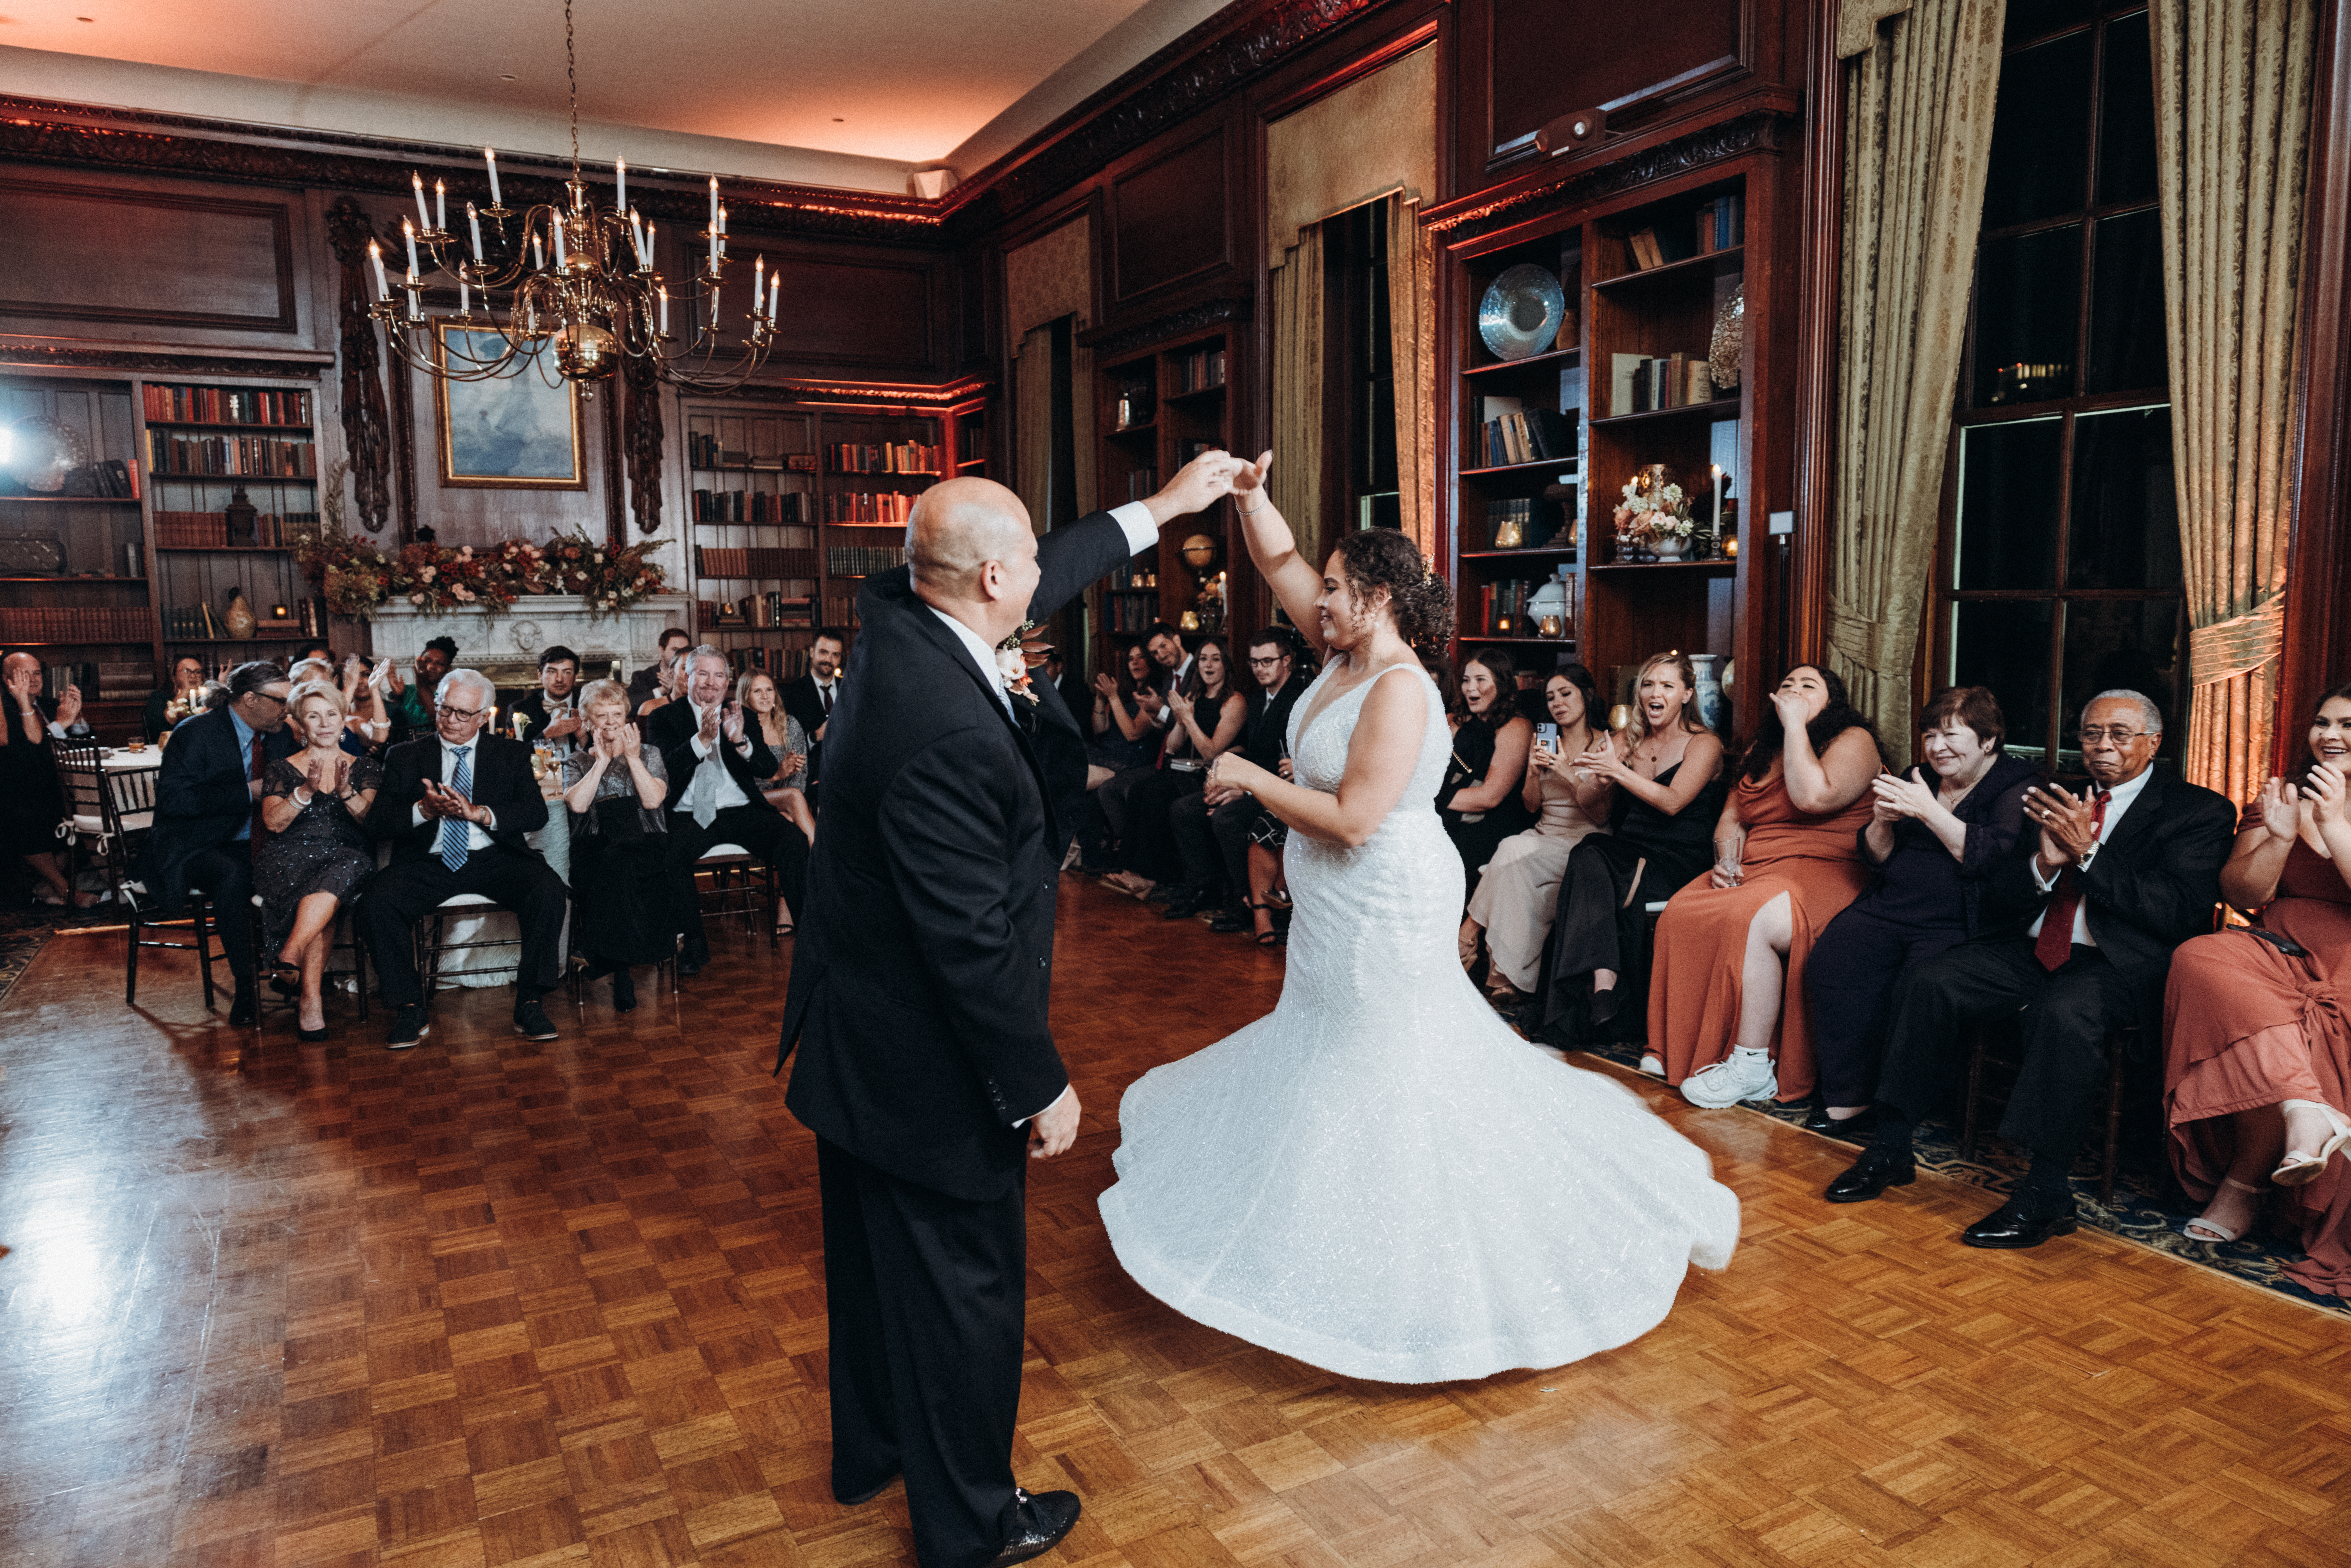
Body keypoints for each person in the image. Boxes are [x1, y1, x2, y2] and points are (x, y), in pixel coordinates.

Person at [1100, 452, 1739, 1384]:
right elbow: (1279, 563)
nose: (1314, 599)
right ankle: (1338, 1217)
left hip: (1384, 902)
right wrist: (1251, 497)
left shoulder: (1399, 688)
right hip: (1334, 905)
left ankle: (1419, 1260)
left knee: (1390, 1063)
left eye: (1334, 590)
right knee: (1333, 1052)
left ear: (1376, 600)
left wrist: (1248, 776)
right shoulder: (1343, 653)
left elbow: (1358, 819)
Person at [775, 452, 1244, 1568]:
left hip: (854, 1039)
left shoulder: (893, 609)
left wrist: (1161, 507)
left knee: (878, 1265)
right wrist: (1038, 1081)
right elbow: (969, 944)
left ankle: (875, 1450)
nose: (1044, 570)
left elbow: (1058, 561)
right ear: (991, 578)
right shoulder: (944, 730)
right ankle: (972, 1523)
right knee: (965, 1291)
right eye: (1028, 558)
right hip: (923, 1060)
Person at [1824, 690, 2237, 1248]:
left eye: (2119, 733)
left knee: (2063, 1011)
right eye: (2092, 733)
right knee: (1932, 980)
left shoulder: (2199, 810)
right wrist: (2043, 863)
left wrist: (2087, 853)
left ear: (2153, 742)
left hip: (2116, 963)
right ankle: (1891, 1147)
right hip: (2033, 944)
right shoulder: (2055, 792)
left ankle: (2046, 1192)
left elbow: (2176, 911)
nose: (2103, 746)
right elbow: (2000, 894)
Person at [2160, 685, 2351, 1278]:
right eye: (2321, 721)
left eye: (2347, 724)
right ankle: (2304, 1106)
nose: (2329, 734)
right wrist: (2280, 834)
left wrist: (2336, 821)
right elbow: (2241, 893)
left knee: (2274, 1031)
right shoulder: (2283, 794)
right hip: (2275, 948)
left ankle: (2241, 1185)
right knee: (2199, 957)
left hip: (2346, 962)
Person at [1802, 687, 2038, 1138]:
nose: (1936, 748)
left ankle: (1900, 1110)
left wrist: (1928, 810)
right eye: (1930, 736)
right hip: (1892, 906)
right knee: (1836, 958)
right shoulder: (1919, 776)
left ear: (1989, 741)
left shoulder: (2018, 785)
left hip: (1963, 922)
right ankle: (1848, 1097)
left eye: (1951, 735)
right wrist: (1881, 821)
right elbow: (1876, 858)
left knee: (1916, 987)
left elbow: (1991, 860)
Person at [1649, 664, 1882, 1107]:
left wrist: (1795, 726)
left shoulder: (1854, 740)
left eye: (1808, 687)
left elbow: (1813, 797)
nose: (1794, 691)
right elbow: (1732, 820)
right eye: (1787, 685)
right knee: (1683, 909)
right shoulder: (1763, 747)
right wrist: (1725, 862)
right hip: (1758, 867)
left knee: (1752, 915)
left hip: (1827, 871)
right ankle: (1680, 1048)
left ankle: (1753, 1066)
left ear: (1833, 701)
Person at [361, 667, 569, 1050]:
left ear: (483, 715)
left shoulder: (510, 753)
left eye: (462, 714)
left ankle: (531, 1001)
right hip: (429, 862)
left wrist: (481, 814)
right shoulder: (406, 756)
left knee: (548, 890)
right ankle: (409, 1006)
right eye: (445, 710)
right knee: (377, 901)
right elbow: (377, 825)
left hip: (494, 857)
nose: (450, 721)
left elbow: (535, 814)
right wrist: (422, 810)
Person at [1530, 653, 1727, 1049]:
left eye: (1667, 686)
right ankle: (1605, 983)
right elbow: (1595, 808)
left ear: (1686, 694)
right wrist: (1593, 777)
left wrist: (1620, 772)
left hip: (1679, 857)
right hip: (1628, 851)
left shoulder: (1704, 744)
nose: (1656, 693)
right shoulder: (1625, 740)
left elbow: (1673, 802)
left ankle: (1605, 985)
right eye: (1649, 685)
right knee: (1590, 849)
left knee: (1594, 854)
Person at [139, 661, 298, 1022]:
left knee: (303, 865)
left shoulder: (279, 734)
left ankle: (294, 971)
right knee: (233, 876)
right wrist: (246, 793)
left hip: (261, 838)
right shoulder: (195, 733)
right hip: (195, 843)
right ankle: (246, 989)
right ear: (250, 699)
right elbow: (175, 802)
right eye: (281, 701)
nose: (287, 710)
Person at [648, 646, 809, 975]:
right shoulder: (663, 717)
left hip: (741, 809)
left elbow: (766, 768)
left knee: (793, 839)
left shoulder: (742, 714)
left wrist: (741, 742)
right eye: (703, 674)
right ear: (687, 677)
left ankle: (812, 935)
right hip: (690, 813)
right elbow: (664, 770)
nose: (711, 682)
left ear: (728, 681)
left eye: (719, 675)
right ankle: (694, 943)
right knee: (669, 856)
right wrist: (702, 739)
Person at [1459, 664, 1611, 1010]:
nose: (1557, 703)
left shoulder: (1607, 742)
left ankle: (1471, 934)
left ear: (1586, 695)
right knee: (1515, 865)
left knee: (1510, 852)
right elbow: (1531, 805)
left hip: (1585, 841)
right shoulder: (1542, 737)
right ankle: (1505, 981)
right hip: (1544, 834)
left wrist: (1564, 771)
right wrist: (1532, 771)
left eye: (1566, 693)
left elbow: (1601, 813)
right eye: (1550, 697)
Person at [255, 679, 381, 1041]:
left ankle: (291, 959)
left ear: (344, 720)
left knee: (347, 867)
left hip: (347, 855)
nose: (324, 723)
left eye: (331, 714)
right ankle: (309, 998)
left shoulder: (366, 768)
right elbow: (273, 823)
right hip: (290, 857)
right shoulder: (282, 768)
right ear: (300, 724)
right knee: (327, 899)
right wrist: (306, 791)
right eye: (314, 716)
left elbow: (372, 825)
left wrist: (346, 793)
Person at [1170, 628, 1312, 930]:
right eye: (1254, 662)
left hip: (1282, 788)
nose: (1259, 668)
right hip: (1253, 778)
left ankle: (1246, 903)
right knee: (1185, 810)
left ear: (1286, 661)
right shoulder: (1257, 699)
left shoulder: (1300, 699)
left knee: (1226, 818)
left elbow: (1290, 766)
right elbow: (1248, 747)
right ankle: (1203, 889)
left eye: (1267, 661)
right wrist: (1224, 770)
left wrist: (1244, 789)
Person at [1101, 637, 1244, 903]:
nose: (1209, 666)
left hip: (1209, 775)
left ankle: (1152, 877)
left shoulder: (1235, 702)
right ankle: (1134, 870)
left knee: (1156, 794)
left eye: (1216, 660)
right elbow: (1174, 746)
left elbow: (1211, 752)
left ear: (1226, 665)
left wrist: (1188, 719)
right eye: (1203, 659)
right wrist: (1180, 720)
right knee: (1140, 790)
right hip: (1183, 770)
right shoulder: (1194, 696)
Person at [562, 678, 672, 1012]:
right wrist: (601, 762)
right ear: (588, 721)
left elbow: (653, 801)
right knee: (615, 865)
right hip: (595, 848)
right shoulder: (577, 761)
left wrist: (633, 758)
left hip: (646, 844)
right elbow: (578, 806)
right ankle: (619, 970)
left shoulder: (650, 753)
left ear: (627, 717)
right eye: (602, 715)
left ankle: (601, 956)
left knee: (621, 864)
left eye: (617, 714)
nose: (611, 722)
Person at [1438, 648, 1538, 900]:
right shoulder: (1453, 719)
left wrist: (1425, 797)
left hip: (1493, 823)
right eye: (1466, 680)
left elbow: (1489, 797)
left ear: (1502, 684)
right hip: (1445, 814)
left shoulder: (1517, 726)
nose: (1471, 688)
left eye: (1481, 680)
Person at [2, 649, 89, 909]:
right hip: (18, 789)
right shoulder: (6, 710)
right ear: (8, 681)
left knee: (82, 812)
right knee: (30, 817)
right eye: (24, 674)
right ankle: (65, 890)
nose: (34, 679)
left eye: (37, 672)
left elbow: (84, 738)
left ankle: (47, 885)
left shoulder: (50, 705)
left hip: (56, 784)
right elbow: (32, 751)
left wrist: (79, 718)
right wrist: (61, 725)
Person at [742, 669, 817, 932]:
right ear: (746, 695)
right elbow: (743, 784)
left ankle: (787, 906)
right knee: (794, 798)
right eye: (757, 691)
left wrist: (785, 781)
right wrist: (777, 776)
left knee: (792, 821)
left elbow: (801, 775)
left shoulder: (790, 724)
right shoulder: (739, 729)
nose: (765, 696)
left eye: (769, 690)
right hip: (750, 802)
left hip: (785, 804)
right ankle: (824, 868)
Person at [779, 628, 846, 802]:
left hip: (851, 773)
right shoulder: (791, 693)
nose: (829, 660)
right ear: (812, 652)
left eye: (835, 655)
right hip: (811, 777)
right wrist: (815, 736)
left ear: (840, 658)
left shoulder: (851, 690)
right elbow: (786, 745)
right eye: (824, 652)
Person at [510, 644, 586, 753]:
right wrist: (547, 734)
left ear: (576, 677)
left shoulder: (589, 707)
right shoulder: (519, 710)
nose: (559, 679)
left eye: (567, 672)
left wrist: (582, 739)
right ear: (540, 675)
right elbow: (512, 757)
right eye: (552, 671)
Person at [383, 635, 456, 733]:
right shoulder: (407, 691)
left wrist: (422, 685)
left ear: (448, 670)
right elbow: (390, 723)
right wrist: (397, 697)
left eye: (439, 663)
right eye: (427, 661)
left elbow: (439, 720)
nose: (431, 667)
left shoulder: (451, 694)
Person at [145, 655, 209, 743]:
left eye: (198, 672)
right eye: (187, 671)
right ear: (174, 676)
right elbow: (159, 732)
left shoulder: (207, 699)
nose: (193, 676)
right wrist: (184, 691)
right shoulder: (159, 697)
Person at [628, 626, 693, 711]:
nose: (681, 655)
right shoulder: (642, 677)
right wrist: (662, 691)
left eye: (684, 650)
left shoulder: (693, 675)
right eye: (676, 650)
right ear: (661, 651)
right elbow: (628, 705)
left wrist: (675, 688)